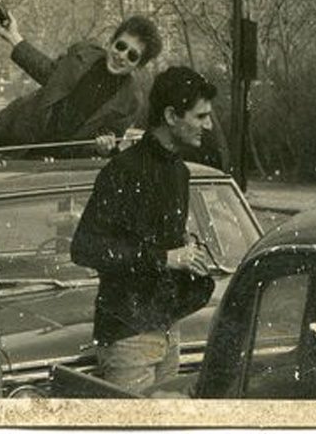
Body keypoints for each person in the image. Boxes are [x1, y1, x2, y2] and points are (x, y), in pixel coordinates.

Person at [70, 66, 217, 393]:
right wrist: (164, 257)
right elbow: (84, 247)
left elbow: (160, 245)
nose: (208, 125)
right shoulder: (122, 170)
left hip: (168, 329)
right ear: (170, 115)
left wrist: (184, 249)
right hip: (127, 338)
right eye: (201, 116)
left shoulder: (180, 171)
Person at [0, 13, 163, 159]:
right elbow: (48, 71)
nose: (121, 56)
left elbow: (109, 139)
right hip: (19, 122)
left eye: (132, 55)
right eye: (120, 46)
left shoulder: (131, 99)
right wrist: (13, 36)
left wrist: (104, 148)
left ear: (138, 65)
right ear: (111, 42)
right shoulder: (83, 52)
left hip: (52, 160)